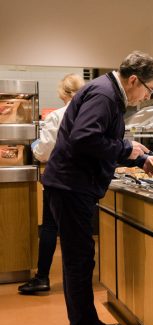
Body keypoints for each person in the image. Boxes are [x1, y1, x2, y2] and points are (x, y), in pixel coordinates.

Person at [41, 51, 153, 325]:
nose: (146, 97)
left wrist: (137, 159)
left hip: (72, 186)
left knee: (81, 260)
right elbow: (85, 138)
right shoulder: (106, 96)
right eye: (149, 90)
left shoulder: (105, 91)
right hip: (72, 187)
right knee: (79, 262)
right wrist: (126, 148)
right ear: (134, 80)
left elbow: (97, 142)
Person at [18, 73, 85, 294]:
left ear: (63, 93)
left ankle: (42, 278)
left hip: (59, 178)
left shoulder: (56, 116)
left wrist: (34, 147)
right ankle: (76, 280)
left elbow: (44, 152)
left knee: (49, 227)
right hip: (82, 181)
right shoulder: (88, 113)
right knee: (78, 231)